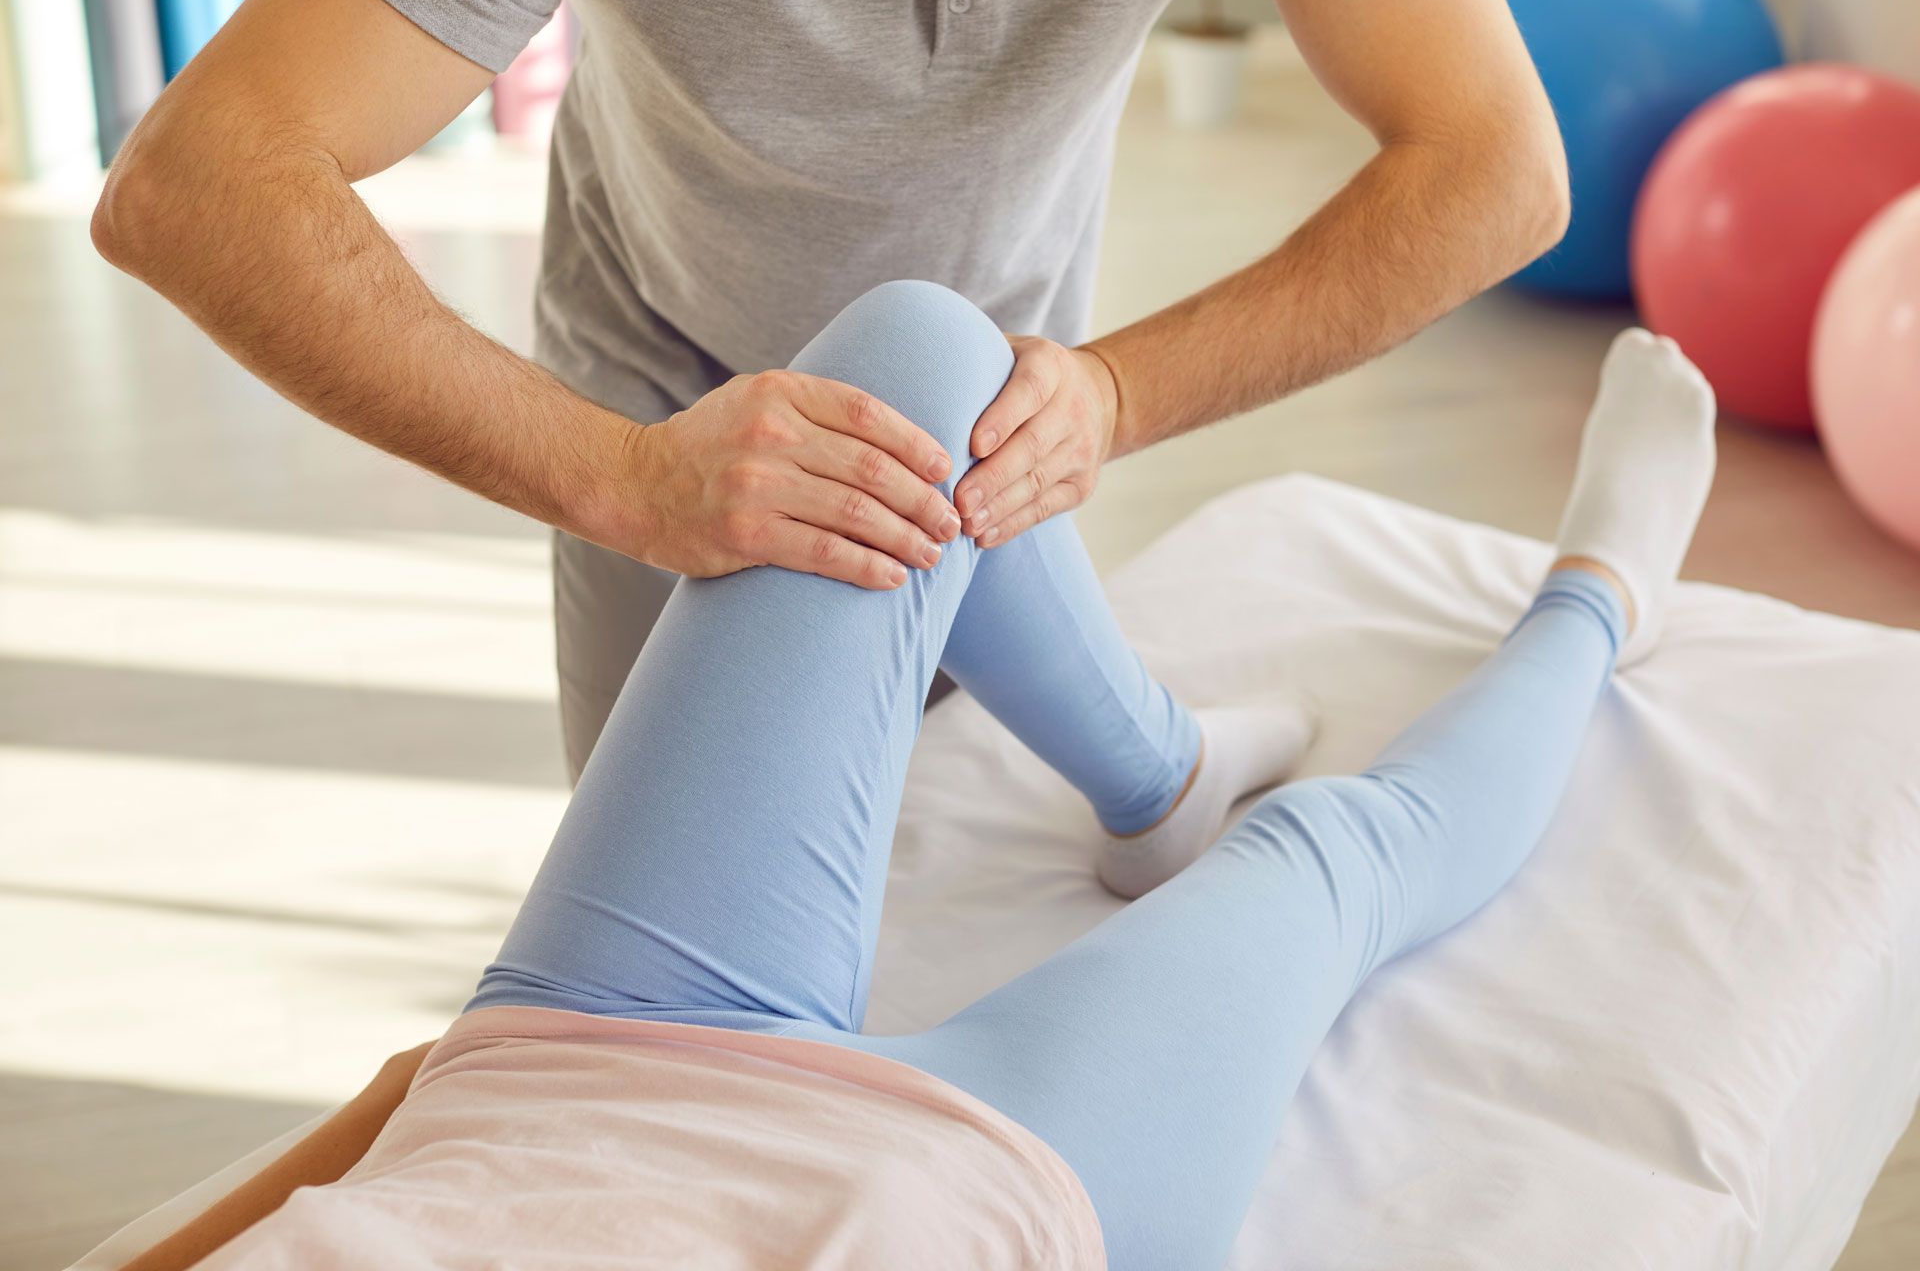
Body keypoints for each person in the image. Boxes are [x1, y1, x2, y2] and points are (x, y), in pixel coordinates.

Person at [120, 283, 1716, 1271]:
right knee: (1325, 862)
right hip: (953, 1188)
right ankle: (1602, 593)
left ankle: (1156, 781)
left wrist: (411, 1106)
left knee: (913, 371)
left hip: (554, 1084)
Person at [90, 0, 1573, 780]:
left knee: (970, 839)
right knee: (681, 956)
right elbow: (196, 182)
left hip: (997, 402)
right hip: (659, 373)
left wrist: (1119, 395)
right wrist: (625, 475)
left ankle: (1165, 779)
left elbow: (1495, 167)